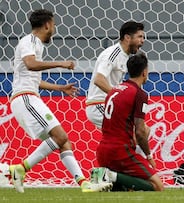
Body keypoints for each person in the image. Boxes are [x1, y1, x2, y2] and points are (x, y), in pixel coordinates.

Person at [9, 9, 112, 193]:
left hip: (30, 96)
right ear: (47, 25)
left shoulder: (35, 45)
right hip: (25, 98)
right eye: (54, 25)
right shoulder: (29, 41)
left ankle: (83, 183)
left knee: (63, 141)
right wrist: (60, 63)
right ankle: (20, 169)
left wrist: (60, 88)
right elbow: (31, 64)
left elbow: (33, 78)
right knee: (60, 136)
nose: (54, 29)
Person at [91, 54, 164, 191]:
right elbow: (140, 132)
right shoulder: (139, 93)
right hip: (120, 152)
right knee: (158, 186)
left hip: (103, 151)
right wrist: (149, 156)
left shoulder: (114, 90)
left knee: (127, 189)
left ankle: (108, 179)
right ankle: (110, 176)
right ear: (144, 72)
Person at [85, 21, 145, 129]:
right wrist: (118, 97)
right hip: (99, 105)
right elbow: (99, 80)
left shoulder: (125, 56)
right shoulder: (112, 54)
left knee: (141, 130)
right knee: (135, 131)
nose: (142, 41)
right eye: (140, 37)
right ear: (127, 37)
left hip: (109, 104)